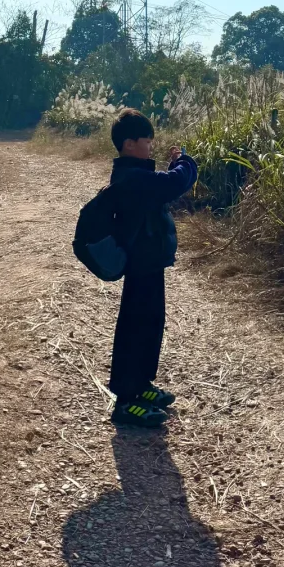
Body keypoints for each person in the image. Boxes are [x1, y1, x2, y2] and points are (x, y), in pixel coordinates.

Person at [108, 108, 197, 428]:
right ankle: (125, 402)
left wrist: (175, 165)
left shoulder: (133, 174)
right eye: (147, 141)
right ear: (130, 144)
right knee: (136, 326)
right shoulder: (132, 178)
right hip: (140, 264)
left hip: (147, 263)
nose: (151, 146)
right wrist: (185, 161)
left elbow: (162, 184)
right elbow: (175, 183)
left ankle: (141, 385)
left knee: (150, 322)